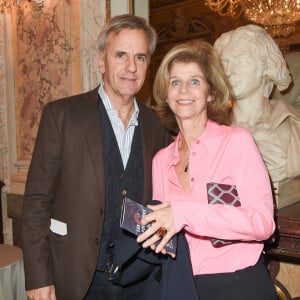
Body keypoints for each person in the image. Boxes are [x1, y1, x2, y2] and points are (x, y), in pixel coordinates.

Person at [22, 14, 171, 300]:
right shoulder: (62, 116)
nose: (131, 67)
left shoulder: (156, 126)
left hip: (140, 279)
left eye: (140, 57)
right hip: (79, 279)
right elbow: (36, 202)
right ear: (101, 62)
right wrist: (38, 278)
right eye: (121, 55)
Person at [136, 41, 277, 299]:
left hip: (240, 284)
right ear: (166, 95)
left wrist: (184, 213)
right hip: (182, 286)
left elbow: (263, 223)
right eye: (175, 82)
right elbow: (167, 232)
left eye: (194, 81)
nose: (184, 90)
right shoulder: (161, 160)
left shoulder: (237, 141)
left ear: (210, 93)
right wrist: (149, 230)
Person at [214, 24, 300, 186]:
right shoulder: (212, 132)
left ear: (265, 64)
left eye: (240, 59)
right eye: (224, 63)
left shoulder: (295, 125)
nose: (229, 71)